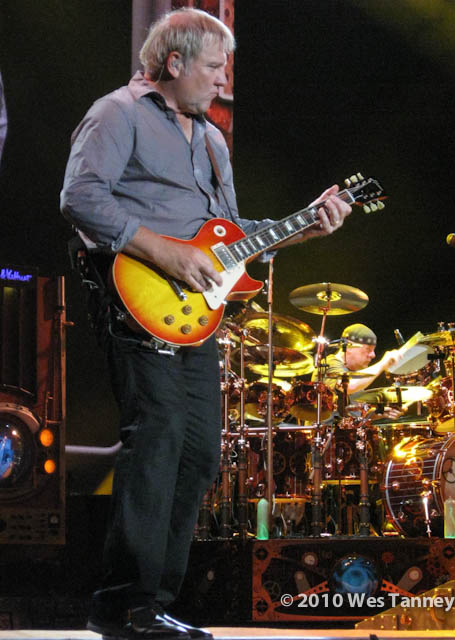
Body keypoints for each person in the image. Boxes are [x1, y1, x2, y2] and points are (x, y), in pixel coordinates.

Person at [60, 8, 351, 640]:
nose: (224, 80)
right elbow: (80, 196)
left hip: (196, 314)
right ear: (175, 62)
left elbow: (230, 236)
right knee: (158, 437)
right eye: (216, 67)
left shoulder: (214, 141)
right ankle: (124, 604)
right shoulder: (118, 114)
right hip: (136, 299)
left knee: (197, 454)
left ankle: (153, 604)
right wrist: (164, 253)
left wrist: (304, 226)